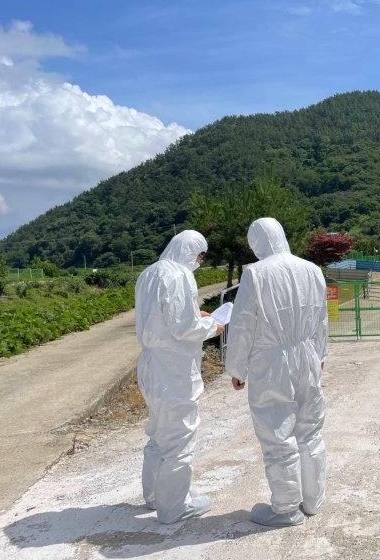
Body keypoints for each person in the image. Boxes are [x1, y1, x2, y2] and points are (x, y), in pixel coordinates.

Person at [226, 217, 327, 528]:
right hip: (307, 353)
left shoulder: (255, 274)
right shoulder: (312, 269)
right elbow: (322, 320)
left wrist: (237, 367)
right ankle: (313, 500)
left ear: (257, 242)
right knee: (310, 429)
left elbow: (243, 325)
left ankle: (285, 509)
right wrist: (319, 354)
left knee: (277, 432)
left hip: (272, 360)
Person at [134, 230, 225, 524]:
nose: (200, 261)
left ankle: (155, 496)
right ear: (190, 251)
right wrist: (213, 326)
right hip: (173, 368)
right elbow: (183, 329)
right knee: (180, 437)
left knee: (159, 433)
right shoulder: (181, 275)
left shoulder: (149, 273)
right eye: (200, 254)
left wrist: (196, 315)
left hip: (151, 362)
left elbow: (162, 316)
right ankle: (174, 507)